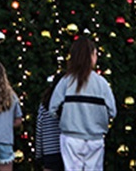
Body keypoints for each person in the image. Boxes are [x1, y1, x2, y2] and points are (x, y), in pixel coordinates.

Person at [49, 36, 117, 170]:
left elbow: (53, 108)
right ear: (92, 56)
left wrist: (67, 118)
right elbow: (112, 111)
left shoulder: (66, 81)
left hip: (71, 136)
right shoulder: (101, 83)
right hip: (95, 138)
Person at [34, 75, 64, 171]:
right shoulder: (66, 104)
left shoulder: (44, 104)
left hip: (49, 150)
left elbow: (39, 128)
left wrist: (39, 154)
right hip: (65, 149)